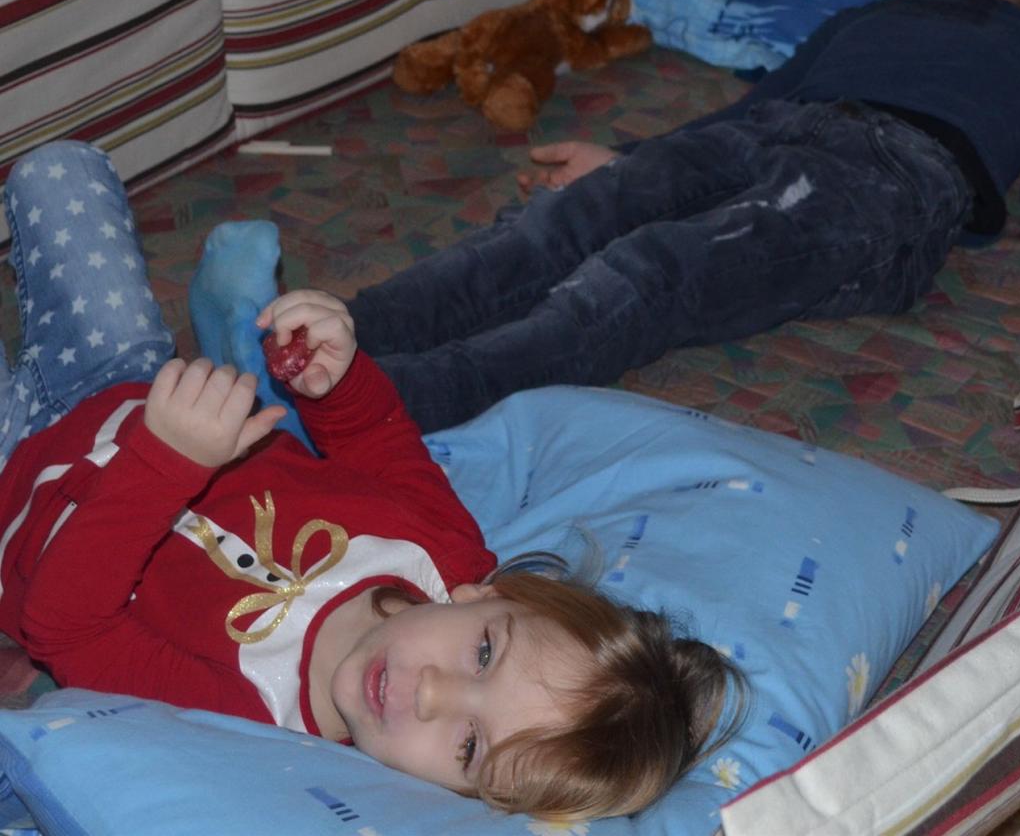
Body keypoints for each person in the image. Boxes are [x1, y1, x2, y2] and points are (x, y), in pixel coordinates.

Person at [0, 141, 741, 821]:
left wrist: (167, 461)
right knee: (60, 171)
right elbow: (377, 439)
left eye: (469, 746)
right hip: (125, 377)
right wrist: (337, 376)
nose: (430, 693)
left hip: (8, 501)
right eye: (483, 653)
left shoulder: (252, 718)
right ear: (485, 596)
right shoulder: (443, 553)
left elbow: (64, 626)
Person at [332, 0, 1020, 434]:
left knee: (656, 268)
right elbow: (756, 106)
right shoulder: (861, 18)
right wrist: (628, 161)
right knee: (564, 220)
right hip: (773, 129)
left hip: (894, 178)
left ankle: (418, 394)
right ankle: (346, 329)